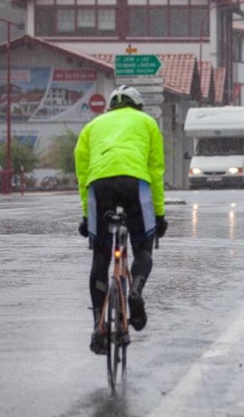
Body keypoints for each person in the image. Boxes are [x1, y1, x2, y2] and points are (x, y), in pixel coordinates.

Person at [74, 85, 168, 355]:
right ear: (137, 107)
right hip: (133, 182)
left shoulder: (93, 126)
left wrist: (86, 215)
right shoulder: (148, 122)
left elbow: (82, 174)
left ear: (111, 108)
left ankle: (97, 327)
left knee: (101, 256)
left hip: (99, 186)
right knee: (142, 247)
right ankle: (136, 290)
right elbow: (155, 172)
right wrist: (159, 216)